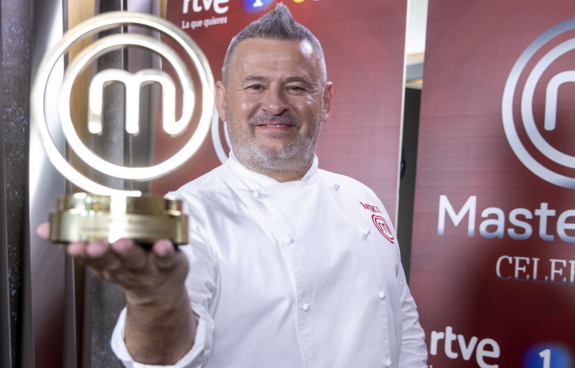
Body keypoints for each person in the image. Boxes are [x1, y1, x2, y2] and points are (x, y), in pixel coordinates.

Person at [38, 4, 428, 367]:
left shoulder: (363, 199)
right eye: (255, 86)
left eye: (295, 86)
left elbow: (403, 325)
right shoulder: (190, 211)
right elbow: (167, 358)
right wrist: (155, 298)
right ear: (223, 101)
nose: (274, 104)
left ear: (325, 100)